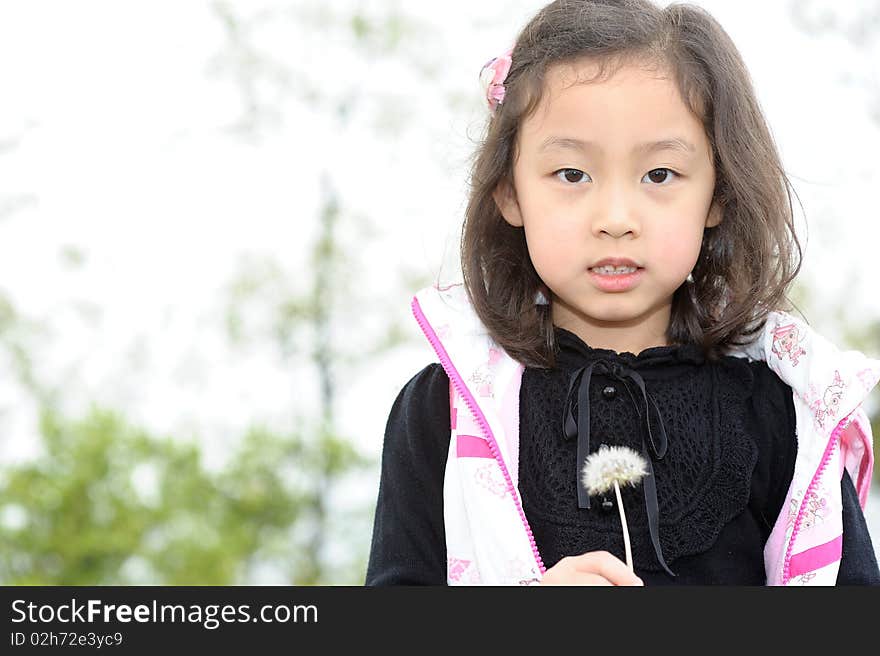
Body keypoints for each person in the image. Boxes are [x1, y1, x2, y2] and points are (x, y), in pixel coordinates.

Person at [365, 0, 880, 586]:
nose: (614, 217)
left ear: (716, 195)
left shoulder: (785, 410)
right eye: (571, 175)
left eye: (659, 175)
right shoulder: (444, 412)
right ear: (510, 192)